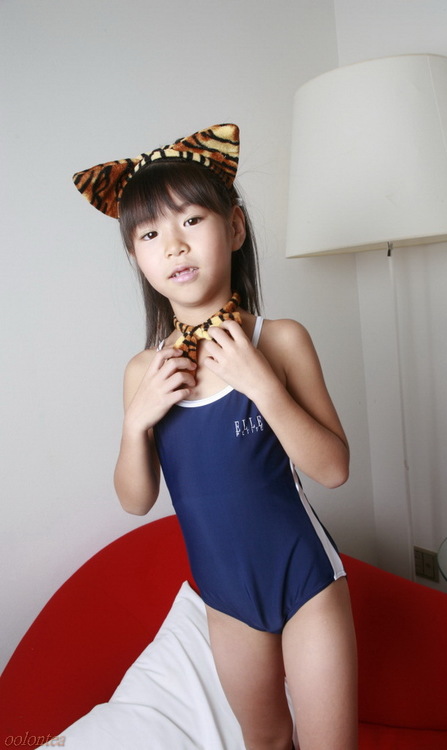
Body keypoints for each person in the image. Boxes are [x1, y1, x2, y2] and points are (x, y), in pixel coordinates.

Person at [73, 124, 358, 750]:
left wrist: (263, 386)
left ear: (234, 228)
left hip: (306, 581)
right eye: (150, 234)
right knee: (264, 743)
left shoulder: (280, 340)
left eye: (191, 220)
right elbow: (135, 500)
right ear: (136, 258)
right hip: (226, 601)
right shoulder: (143, 372)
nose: (173, 245)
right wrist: (136, 421)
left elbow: (334, 469)